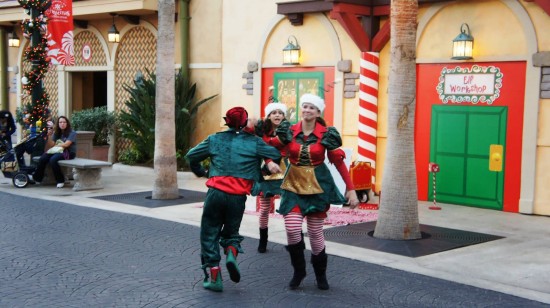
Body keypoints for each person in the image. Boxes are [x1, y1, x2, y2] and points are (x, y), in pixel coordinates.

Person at [185, 106, 282, 292]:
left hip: (216, 194)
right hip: (238, 197)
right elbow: (275, 154)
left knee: (209, 233)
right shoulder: (254, 142)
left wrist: (202, 172)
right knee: (231, 231)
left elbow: (191, 156)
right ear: (245, 123)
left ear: (227, 121)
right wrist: (259, 170)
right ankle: (231, 254)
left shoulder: (214, 139)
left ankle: (214, 277)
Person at [276, 93, 360, 291]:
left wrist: (351, 189)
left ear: (318, 112)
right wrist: (267, 159)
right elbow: (276, 148)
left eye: (311, 107)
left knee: (315, 232)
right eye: (304, 106)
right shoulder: (290, 131)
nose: (306, 110)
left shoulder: (327, 134)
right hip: (294, 184)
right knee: (292, 228)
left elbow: (338, 162)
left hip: (318, 186)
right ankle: (299, 270)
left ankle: (320, 274)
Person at [251, 101, 288, 253]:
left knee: (289, 207)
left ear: (284, 116)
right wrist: (269, 161)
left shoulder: (288, 131)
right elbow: (260, 149)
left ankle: (294, 240)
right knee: (265, 208)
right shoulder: (262, 132)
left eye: (280, 112)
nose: (277, 115)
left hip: (286, 171)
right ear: (269, 116)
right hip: (267, 172)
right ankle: (263, 240)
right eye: (274, 112)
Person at [31, 116, 77, 188]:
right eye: (60, 122)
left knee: (53, 159)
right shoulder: (57, 132)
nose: (62, 124)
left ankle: (60, 180)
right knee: (43, 158)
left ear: (67, 123)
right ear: (58, 124)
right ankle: (37, 178)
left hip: (68, 152)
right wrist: (49, 135)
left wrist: (56, 145)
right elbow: (51, 144)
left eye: (64, 122)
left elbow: (66, 144)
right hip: (57, 151)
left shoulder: (72, 132)